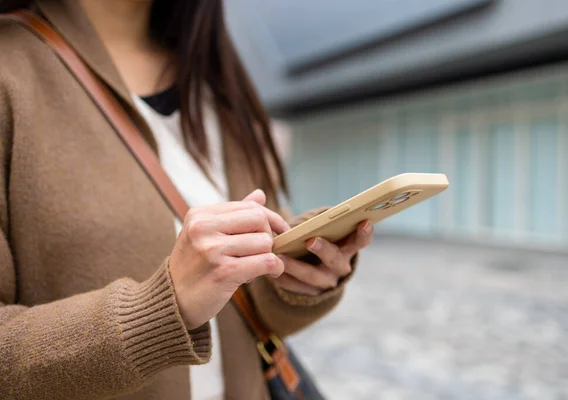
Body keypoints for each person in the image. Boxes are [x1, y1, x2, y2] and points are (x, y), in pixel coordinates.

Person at [0, 1, 374, 399]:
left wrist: (296, 277)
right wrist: (160, 310)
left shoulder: (216, 79)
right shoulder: (13, 70)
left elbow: (252, 315)